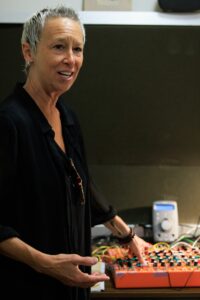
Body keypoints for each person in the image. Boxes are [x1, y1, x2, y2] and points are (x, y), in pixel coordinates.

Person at [0, 6, 149, 300]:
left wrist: (127, 234)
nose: (71, 59)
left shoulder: (67, 117)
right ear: (28, 52)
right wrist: (46, 264)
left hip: (72, 290)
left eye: (77, 49)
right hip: (27, 289)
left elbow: (80, 183)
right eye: (58, 47)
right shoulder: (9, 123)